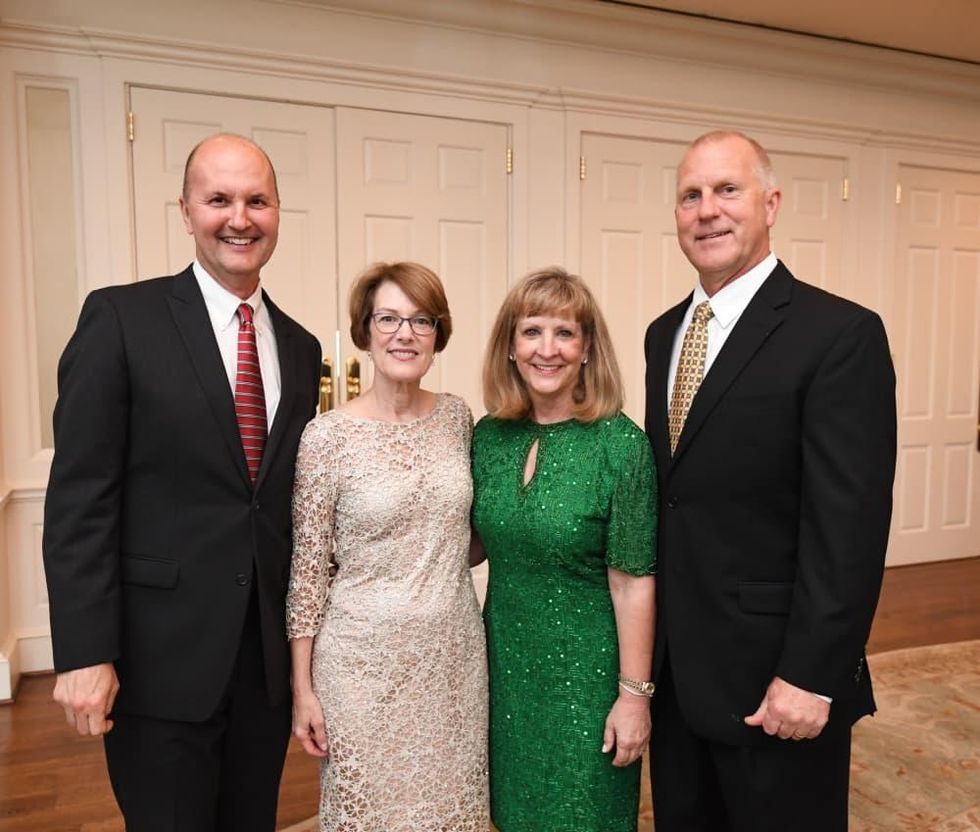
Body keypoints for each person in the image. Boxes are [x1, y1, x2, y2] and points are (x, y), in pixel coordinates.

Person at [41, 133, 322, 831]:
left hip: (261, 673)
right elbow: (80, 498)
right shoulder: (120, 319)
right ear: (186, 210)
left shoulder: (301, 346)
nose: (240, 218)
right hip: (157, 664)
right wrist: (84, 652)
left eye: (257, 201)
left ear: (278, 212)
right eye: (219, 199)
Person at [643, 130, 897, 831]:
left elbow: (849, 529)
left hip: (775, 682)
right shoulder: (663, 334)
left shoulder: (838, 334)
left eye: (728, 190)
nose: (707, 210)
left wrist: (812, 675)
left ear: (771, 203)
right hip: (677, 676)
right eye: (690, 196)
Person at [287, 262, 489, 832]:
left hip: (452, 662)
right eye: (389, 319)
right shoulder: (326, 437)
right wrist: (303, 690)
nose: (405, 334)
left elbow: (467, 537)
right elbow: (307, 573)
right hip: (359, 669)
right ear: (365, 331)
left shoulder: (458, 418)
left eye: (421, 320)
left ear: (438, 334)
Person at [471, 268, 657, 832]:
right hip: (505, 672)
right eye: (531, 331)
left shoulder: (621, 446)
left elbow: (633, 582)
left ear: (587, 348)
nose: (547, 349)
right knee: (515, 814)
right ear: (510, 346)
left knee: (584, 815)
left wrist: (634, 697)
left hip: (589, 679)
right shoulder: (488, 437)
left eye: (565, 333)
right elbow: (467, 547)